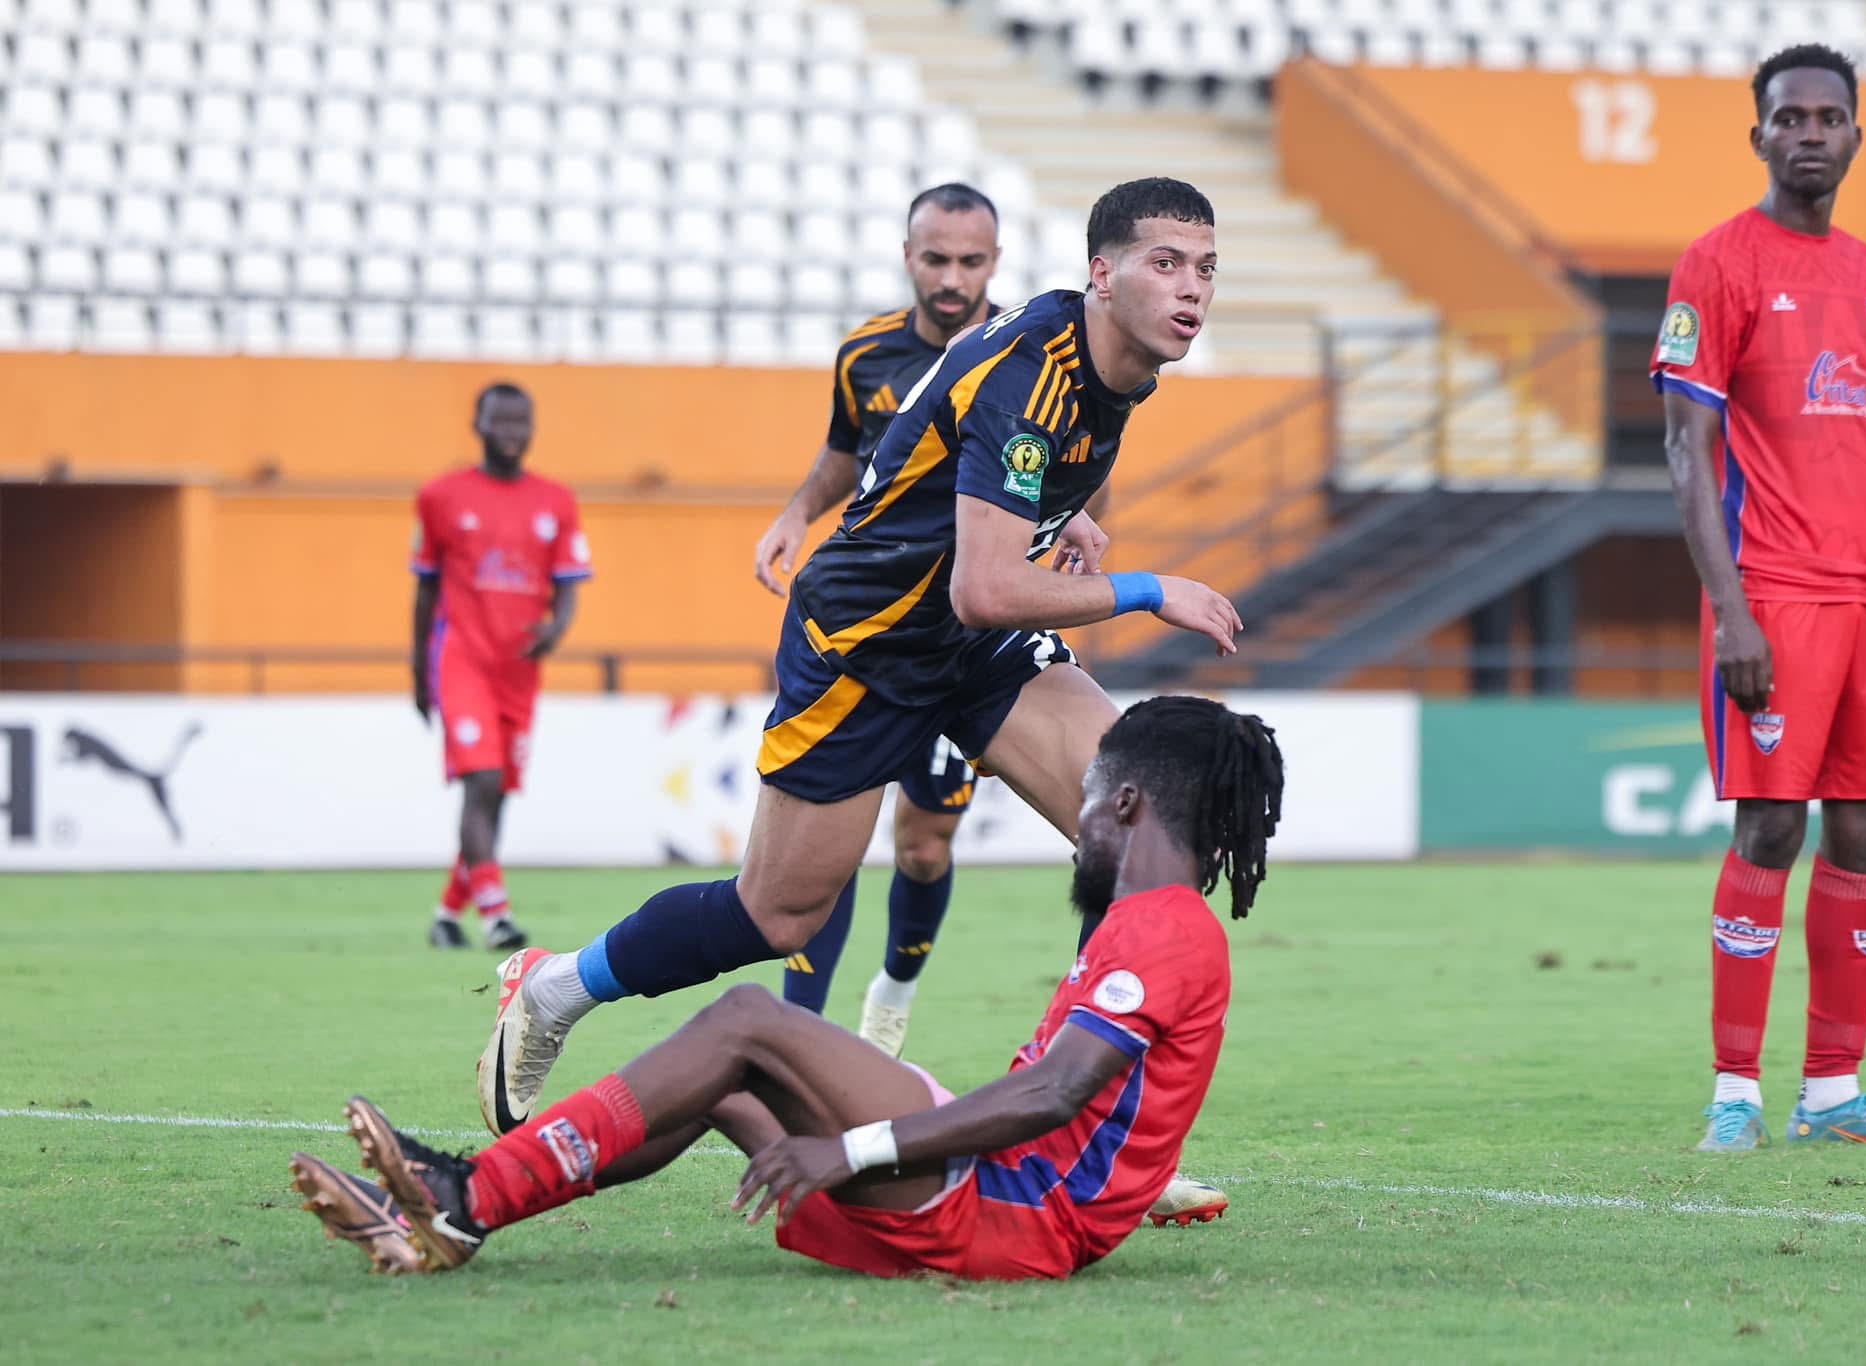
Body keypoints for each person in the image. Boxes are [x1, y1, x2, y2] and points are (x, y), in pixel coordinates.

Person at [476, 177, 1241, 1226]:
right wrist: (1154, 588)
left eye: (1203, 267)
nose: (1190, 287)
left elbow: (990, 561)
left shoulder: (1112, 359)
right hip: (869, 639)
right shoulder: (1032, 376)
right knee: (777, 911)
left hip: (972, 645)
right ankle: (556, 987)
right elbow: (980, 581)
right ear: (1099, 274)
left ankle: (1083, 1123)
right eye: (1165, 262)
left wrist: (1063, 518)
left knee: (1142, 835)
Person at [291, 696, 1282, 1280]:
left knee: (745, 1020)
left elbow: (1050, 1095)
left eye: (1083, 799)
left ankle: (465, 1194)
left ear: (1127, 800)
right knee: (710, 1077)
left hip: (1006, 1213)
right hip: (998, 1197)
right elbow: (1101, 1114)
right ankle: (449, 1214)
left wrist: (845, 1145)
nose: (1077, 820)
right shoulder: (1143, 920)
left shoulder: (1166, 929)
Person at [1653, 45, 1866, 1151]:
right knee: (1769, 825)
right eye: (1787, 117)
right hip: (1776, 593)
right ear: (1756, 136)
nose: (1808, 132)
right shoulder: (1716, 262)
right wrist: (1731, 608)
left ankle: (1832, 1094)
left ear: (1853, 135)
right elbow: (1683, 447)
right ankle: (1734, 1095)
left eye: (1828, 116)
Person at [751, 183, 1005, 1056]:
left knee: (924, 847)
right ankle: (800, 1038)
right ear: (909, 256)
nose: (952, 277)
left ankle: (892, 992)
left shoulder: (1019, 358)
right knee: (831, 838)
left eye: (970, 261)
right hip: (865, 638)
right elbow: (841, 455)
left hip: (962, 648)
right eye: (936, 258)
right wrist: (795, 514)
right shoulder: (864, 354)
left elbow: (1063, 487)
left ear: (994, 264)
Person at [410, 383, 591, 951]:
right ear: (478, 424)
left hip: (519, 670)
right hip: (460, 659)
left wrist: (557, 628)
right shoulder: (442, 496)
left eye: (522, 422)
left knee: (496, 792)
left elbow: (567, 584)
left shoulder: (555, 501)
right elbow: (424, 591)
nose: (512, 433)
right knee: (481, 780)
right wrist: (420, 672)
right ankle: (496, 916)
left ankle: (447, 914)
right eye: (501, 421)